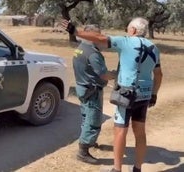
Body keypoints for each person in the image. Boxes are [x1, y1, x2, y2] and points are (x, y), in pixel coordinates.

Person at [62, 17, 163, 172]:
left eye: (128, 28)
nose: (127, 31)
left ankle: (117, 169)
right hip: (144, 94)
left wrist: (76, 32)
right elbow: (158, 74)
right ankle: (137, 168)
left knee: (120, 131)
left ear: (133, 30)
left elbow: (100, 38)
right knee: (140, 132)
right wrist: (154, 94)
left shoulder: (126, 42)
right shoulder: (154, 48)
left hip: (127, 94)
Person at [73, 24, 116, 164]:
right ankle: (83, 151)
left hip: (82, 87)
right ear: (90, 34)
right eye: (97, 35)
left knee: (86, 117)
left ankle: (87, 141)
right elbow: (103, 75)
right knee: (93, 120)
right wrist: (115, 74)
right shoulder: (92, 53)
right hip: (92, 91)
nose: (100, 37)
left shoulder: (79, 49)